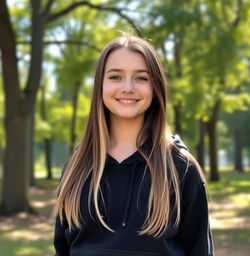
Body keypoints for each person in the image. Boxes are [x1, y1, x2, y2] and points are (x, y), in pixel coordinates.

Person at [53, 33, 215, 256]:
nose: (128, 87)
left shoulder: (181, 168)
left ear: (155, 88)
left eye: (141, 78)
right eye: (115, 77)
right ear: (100, 85)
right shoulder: (77, 167)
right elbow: (63, 248)